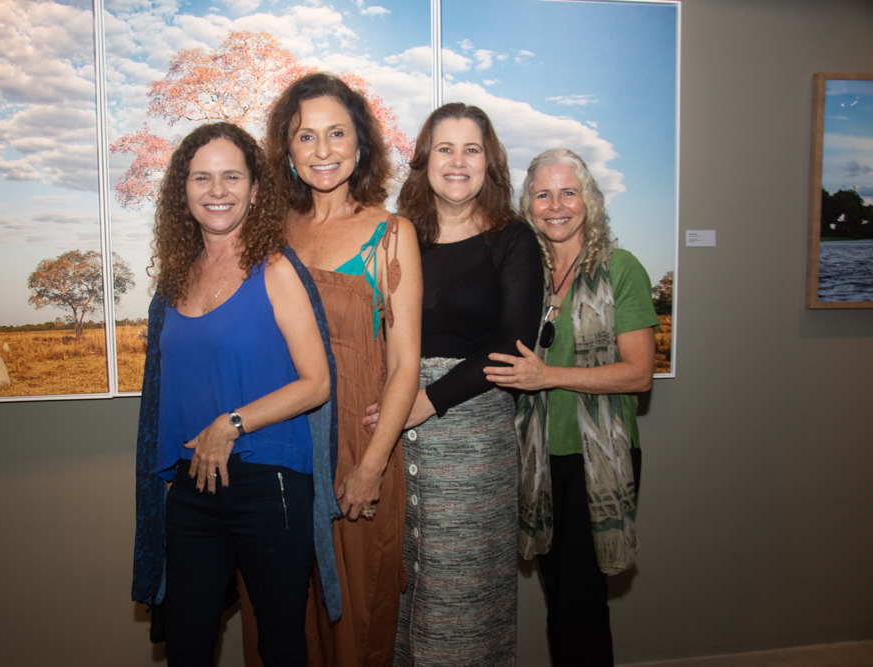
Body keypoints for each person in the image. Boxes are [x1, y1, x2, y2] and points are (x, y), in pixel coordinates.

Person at [131, 122, 333, 667]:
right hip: (192, 487)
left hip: (268, 483)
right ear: (184, 190)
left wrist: (233, 422)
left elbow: (317, 383)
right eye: (202, 177)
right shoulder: (174, 280)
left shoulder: (275, 268)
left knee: (281, 647)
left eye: (231, 177)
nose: (216, 190)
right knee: (187, 647)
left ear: (255, 189)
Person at [237, 73, 422, 667]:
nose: (322, 150)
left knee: (357, 620)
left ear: (360, 143)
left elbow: (404, 364)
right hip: (277, 444)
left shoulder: (391, 234)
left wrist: (371, 467)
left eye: (336, 133)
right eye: (305, 136)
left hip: (356, 446)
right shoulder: (264, 232)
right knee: (282, 617)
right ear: (286, 151)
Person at [358, 102, 543, 665]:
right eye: (444, 148)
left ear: (490, 162)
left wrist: (427, 401)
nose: (457, 161)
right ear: (424, 160)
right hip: (396, 431)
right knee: (400, 590)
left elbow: (511, 347)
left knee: (462, 602)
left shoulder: (513, 241)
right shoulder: (398, 237)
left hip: (473, 436)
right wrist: (394, 403)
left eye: (472, 149)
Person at [483, 148, 659, 666]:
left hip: (597, 459)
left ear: (589, 201)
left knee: (580, 605)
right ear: (528, 204)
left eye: (568, 192)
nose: (555, 205)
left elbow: (639, 373)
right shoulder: (525, 276)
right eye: (543, 194)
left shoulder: (619, 269)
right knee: (558, 599)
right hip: (537, 458)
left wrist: (547, 376)